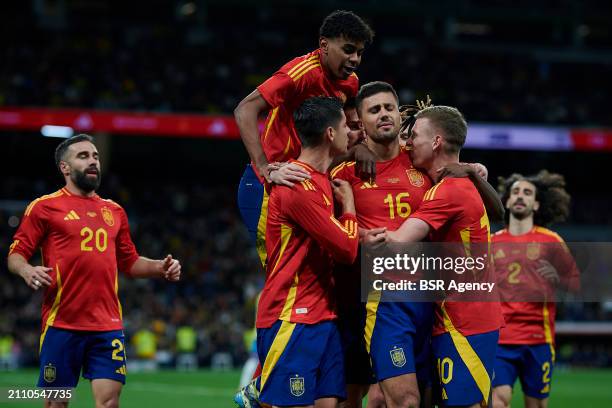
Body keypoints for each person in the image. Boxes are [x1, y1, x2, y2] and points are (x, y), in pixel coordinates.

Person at [332, 83, 503, 408]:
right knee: (401, 400)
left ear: (399, 114)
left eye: (389, 108)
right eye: (374, 110)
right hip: (384, 300)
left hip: (433, 301)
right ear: (361, 123)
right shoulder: (345, 174)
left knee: (428, 400)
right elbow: (326, 229)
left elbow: (488, 208)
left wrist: (472, 172)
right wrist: (355, 152)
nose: (383, 114)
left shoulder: (425, 164)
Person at [7, 134, 181, 408]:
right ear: (65, 167)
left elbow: (130, 262)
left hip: (107, 326)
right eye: (83, 156)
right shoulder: (44, 207)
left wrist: (159, 267)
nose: (93, 162)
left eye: (96, 156)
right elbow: (16, 254)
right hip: (62, 324)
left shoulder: (115, 211)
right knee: (56, 403)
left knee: (109, 402)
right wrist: (26, 270)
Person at [234, 9, 375, 266]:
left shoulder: (350, 82)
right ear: (324, 45)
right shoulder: (299, 74)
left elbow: (351, 119)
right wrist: (264, 167)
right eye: (348, 49)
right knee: (282, 275)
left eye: (360, 53)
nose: (355, 59)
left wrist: (363, 145)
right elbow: (245, 110)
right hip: (271, 185)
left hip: (310, 184)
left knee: (310, 272)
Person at [254, 97, 361, 408]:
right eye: (345, 126)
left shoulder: (321, 180)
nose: (350, 133)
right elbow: (346, 249)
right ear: (330, 133)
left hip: (324, 316)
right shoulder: (296, 185)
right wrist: (350, 208)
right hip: (291, 315)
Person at [491, 171, 579, 408]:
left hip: (538, 339)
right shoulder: (491, 242)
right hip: (501, 338)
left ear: (536, 204)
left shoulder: (551, 241)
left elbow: (576, 284)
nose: (520, 196)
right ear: (507, 201)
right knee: (498, 401)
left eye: (527, 193)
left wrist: (559, 278)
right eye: (515, 192)